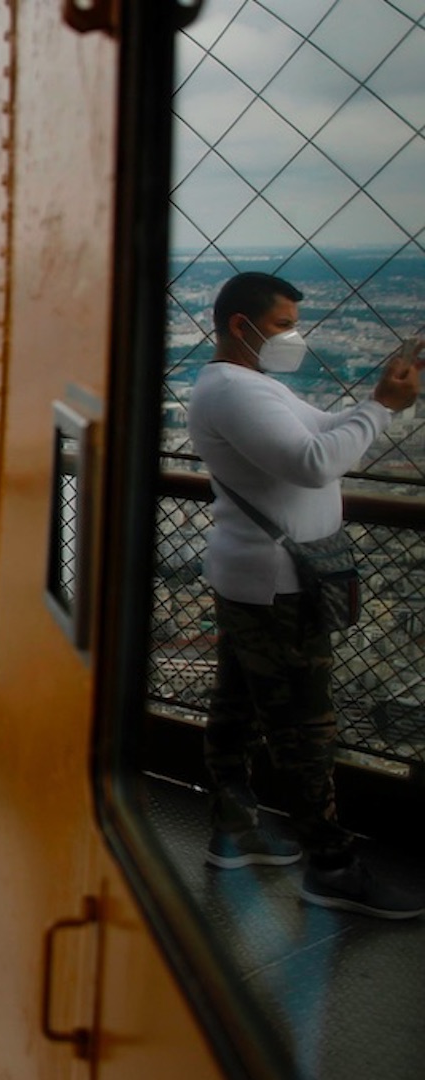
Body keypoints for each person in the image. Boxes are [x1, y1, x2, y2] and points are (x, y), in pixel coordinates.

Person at [188, 271, 423, 919]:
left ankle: (236, 831)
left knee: (236, 705)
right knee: (304, 726)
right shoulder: (236, 390)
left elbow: (325, 433)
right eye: (285, 323)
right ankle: (331, 865)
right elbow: (317, 461)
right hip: (278, 584)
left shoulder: (252, 386)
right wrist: (381, 406)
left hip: (261, 579)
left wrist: (381, 394)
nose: (294, 336)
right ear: (243, 324)